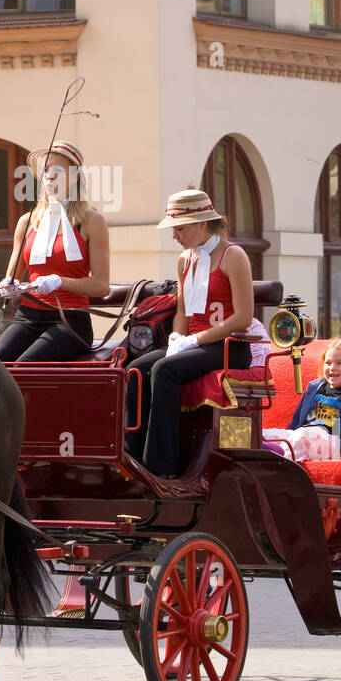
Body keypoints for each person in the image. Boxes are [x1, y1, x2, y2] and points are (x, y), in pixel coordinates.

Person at [125, 189, 253, 478]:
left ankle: (161, 469)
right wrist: (175, 339)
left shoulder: (234, 256)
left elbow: (243, 317)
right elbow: (182, 311)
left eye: (180, 229)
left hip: (229, 345)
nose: (175, 235)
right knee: (134, 370)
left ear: (203, 224)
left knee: (164, 370)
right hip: (193, 343)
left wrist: (195, 340)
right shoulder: (185, 259)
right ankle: (132, 459)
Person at [0, 141, 110, 363]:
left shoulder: (92, 222)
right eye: (46, 170)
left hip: (70, 320)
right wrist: (8, 286)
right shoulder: (26, 222)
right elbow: (13, 279)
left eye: (57, 171)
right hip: (27, 316)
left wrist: (60, 282)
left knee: (25, 367)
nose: (49, 176)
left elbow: (101, 286)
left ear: (75, 177)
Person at [264, 338, 341, 462]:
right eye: (328, 363)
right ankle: (264, 453)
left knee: (304, 437)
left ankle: (278, 460)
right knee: (266, 434)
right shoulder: (314, 388)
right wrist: (288, 435)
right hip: (305, 434)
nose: (332, 368)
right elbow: (298, 418)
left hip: (333, 441)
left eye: (339, 363)